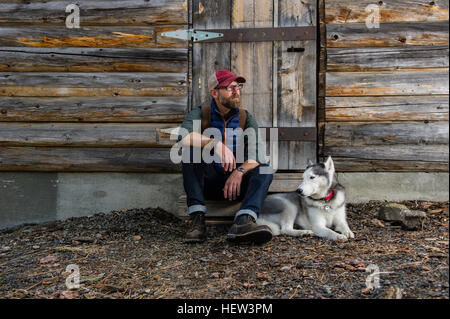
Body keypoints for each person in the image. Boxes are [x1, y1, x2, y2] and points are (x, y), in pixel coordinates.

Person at [178, 69, 273, 245]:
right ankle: (197, 221)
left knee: (266, 168)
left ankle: (244, 221)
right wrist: (216, 144)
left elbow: (257, 156)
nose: (236, 91)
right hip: (209, 184)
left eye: (238, 87)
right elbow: (183, 137)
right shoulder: (200, 114)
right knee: (190, 152)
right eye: (230, 87)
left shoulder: (245, 117)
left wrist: (239, 171)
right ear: (215, 93)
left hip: (238, 187)